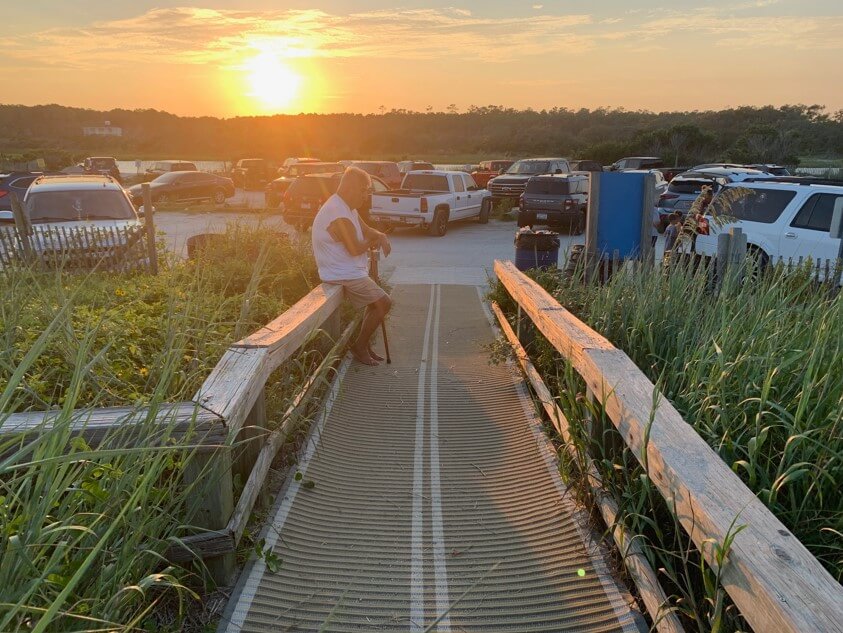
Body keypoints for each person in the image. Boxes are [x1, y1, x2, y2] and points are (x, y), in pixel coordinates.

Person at [311, 167, 392, 366]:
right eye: (364, 190)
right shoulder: (337, 213)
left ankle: (362, 346)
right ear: (351, 189)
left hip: (349, 271)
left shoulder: (348, 209)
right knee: (384, 303)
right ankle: (359, 347)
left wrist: (380, 236)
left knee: (376, 304)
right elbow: (355, 248)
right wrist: (371, 243)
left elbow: (367, 231)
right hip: (340, 273)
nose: (366, 195)